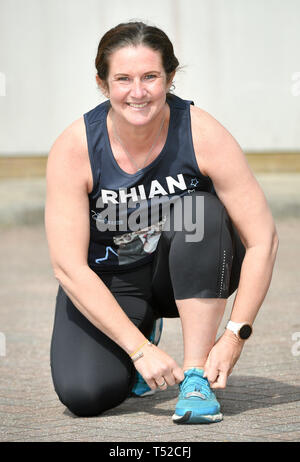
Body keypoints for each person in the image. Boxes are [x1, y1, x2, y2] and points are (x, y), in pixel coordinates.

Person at [45, 21, 279, 423]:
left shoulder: (201, 132)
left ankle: (194, 374)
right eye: (123, 79)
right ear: (102, 84)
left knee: (200, 210)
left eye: (150, 77)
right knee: (85, 394)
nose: (138, 92)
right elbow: (68, 266)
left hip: (184, 270)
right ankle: (143, 333)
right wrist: (139, 351)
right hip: (110, 280)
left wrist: (235, 335)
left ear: (170, 78)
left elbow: (263, 240)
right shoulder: (76, 147)